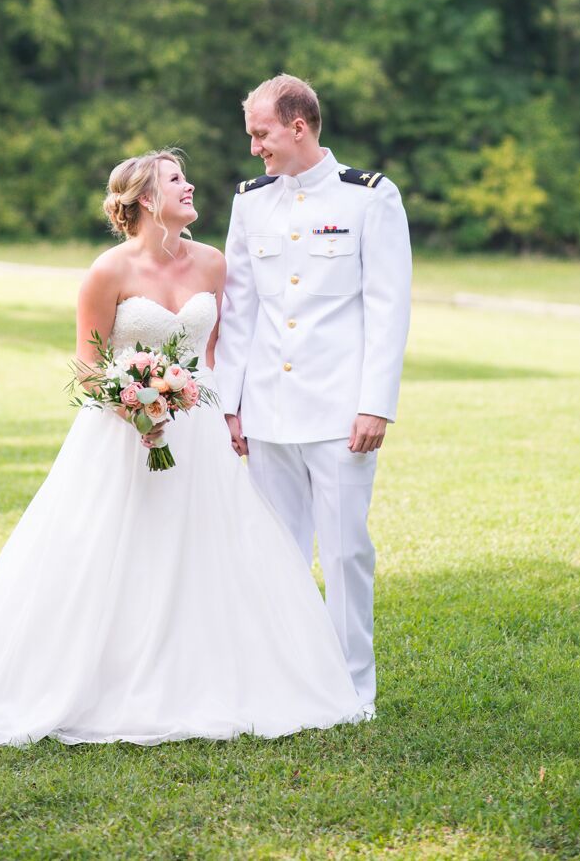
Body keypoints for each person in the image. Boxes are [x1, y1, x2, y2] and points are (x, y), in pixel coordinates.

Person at [0, 150, 364, 746]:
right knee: (112, 550)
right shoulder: (109, 271)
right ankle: (101, 675)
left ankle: (211, 672)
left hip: (200, 431)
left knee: (208, 547)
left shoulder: (212, 264)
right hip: (122, 436)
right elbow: (87, 365)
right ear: (147, 199)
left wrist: (222, 409)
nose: (191, 186)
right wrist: (134, 404)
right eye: (177, 180)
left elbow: (217, 353)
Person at [213, 75, 412, 715]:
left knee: (347, 550)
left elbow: (388, 307)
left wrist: (376, 403)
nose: (254, 150)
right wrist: (230, 403)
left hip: (339, 412)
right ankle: (284, 683)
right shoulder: (250, 202)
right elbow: (240, 310)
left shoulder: (370, 198)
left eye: (261, 134)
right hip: (268, 408)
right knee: (277, 553)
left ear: (298, 126)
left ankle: (353, 692)